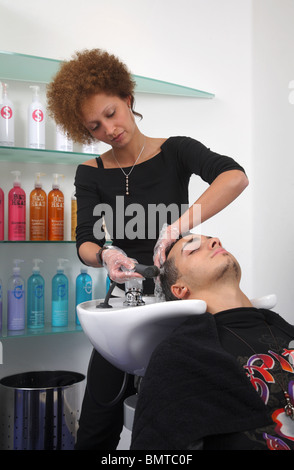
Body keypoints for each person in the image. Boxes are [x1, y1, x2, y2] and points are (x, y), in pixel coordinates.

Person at [47, 48, 249, 450]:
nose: (109, 128)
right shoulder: (90, 172)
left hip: (180, 297)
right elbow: (84, 240)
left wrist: (178, 225)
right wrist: (105, 255)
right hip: (124, 310)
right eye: (95, 126)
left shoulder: (176, 150)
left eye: (111, 113)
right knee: (96, 429)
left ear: (128, 99)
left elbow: (234, 177)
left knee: (189, 427)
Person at [130, 234, 294, 450]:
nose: (215, 240)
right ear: (179, 289)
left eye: (212, 239)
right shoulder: (180, 356)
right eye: (193, 249)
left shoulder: (283, 330)